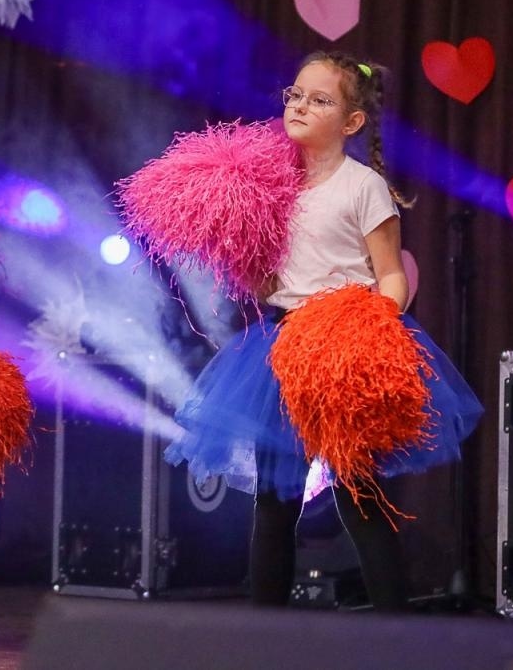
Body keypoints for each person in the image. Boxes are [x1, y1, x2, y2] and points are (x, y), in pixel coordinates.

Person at [165, 52, 483, 611]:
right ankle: (269, 635)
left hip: (344, 347)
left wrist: (375, 332)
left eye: (320, 99)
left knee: (359, 494)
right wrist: (240, 260)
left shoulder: (363, 186)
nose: (300, 105)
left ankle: (396, 632)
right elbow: (266, 281)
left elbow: (389, 274)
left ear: (352, 123)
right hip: (282, 346)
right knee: (273, 498)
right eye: (295, 94)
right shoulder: (267, 186)